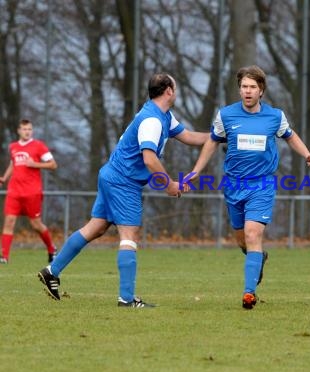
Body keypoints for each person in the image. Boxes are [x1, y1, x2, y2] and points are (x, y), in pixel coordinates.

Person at [37, 73, 208, 307]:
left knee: (95, 228)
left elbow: (188, 136)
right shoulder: (152, 121)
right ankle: (126, 299)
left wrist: (217, 137)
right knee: (129, 236)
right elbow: (149, 159)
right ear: (169, 90)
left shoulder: (164, 116)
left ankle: (51, 271)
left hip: (112, 175)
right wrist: (169, 184)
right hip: (123, 181)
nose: (176, 92)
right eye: (175, 88)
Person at [186, 65, 310, 309]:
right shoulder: (226, 115)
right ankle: (259, 259)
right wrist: (196, 171)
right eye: (244, 87)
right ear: (240, 90)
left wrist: (307, 154)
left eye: (252, 87)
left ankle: (249, 293)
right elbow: (211, 143)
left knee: (253, 233)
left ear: (261, 91)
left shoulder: (275, 117)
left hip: (262, 184)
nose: (247, 91)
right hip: (234, 185)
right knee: (242, 241)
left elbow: (290, 136)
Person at [0, 119, 58, 264]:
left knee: (36, 224)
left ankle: (51, 249)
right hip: (14, 191)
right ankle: (4, 257)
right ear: (19, 131)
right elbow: (13, 163)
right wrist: (4, 178)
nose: (27, 132)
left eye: (29, 129)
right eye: (24, 129)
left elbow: (53, 165)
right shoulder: (13, 146)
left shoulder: (38, 146)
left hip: (32, 192)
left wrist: (35, 164)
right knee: (9, 222)